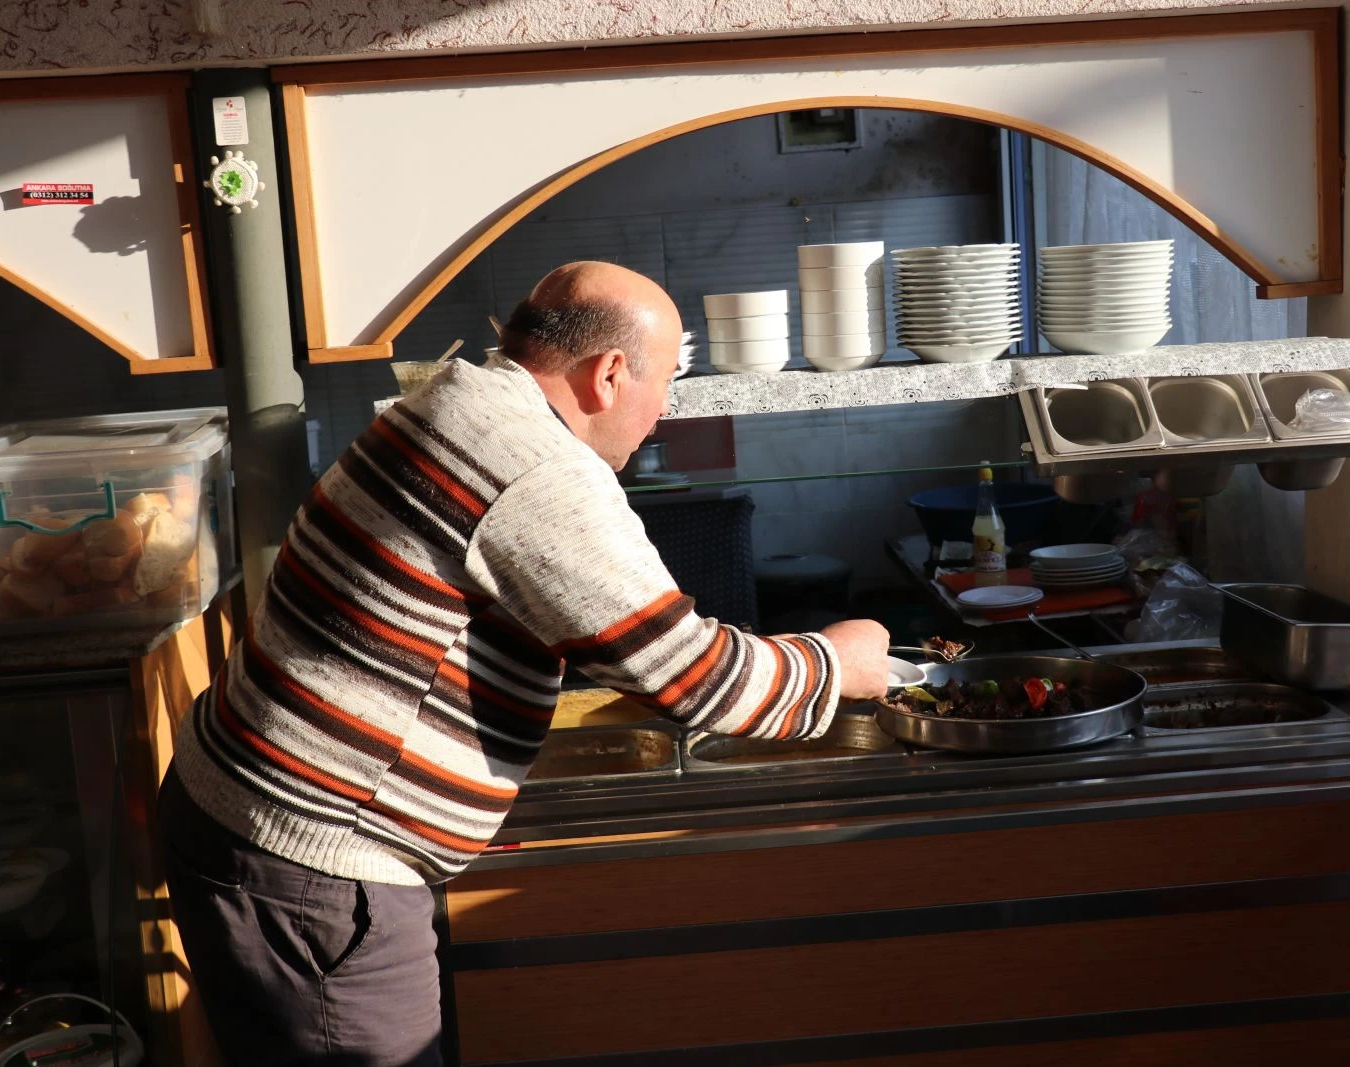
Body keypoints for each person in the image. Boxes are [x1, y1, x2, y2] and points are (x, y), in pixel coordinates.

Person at [157, 261, 891, 1066]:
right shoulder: (538, 467)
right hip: (316, 870)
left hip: (244, 814)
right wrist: (837, 659)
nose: (667, 410)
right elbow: (695, 678)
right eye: (668, 379)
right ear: (610, 374)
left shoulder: (456, 397)